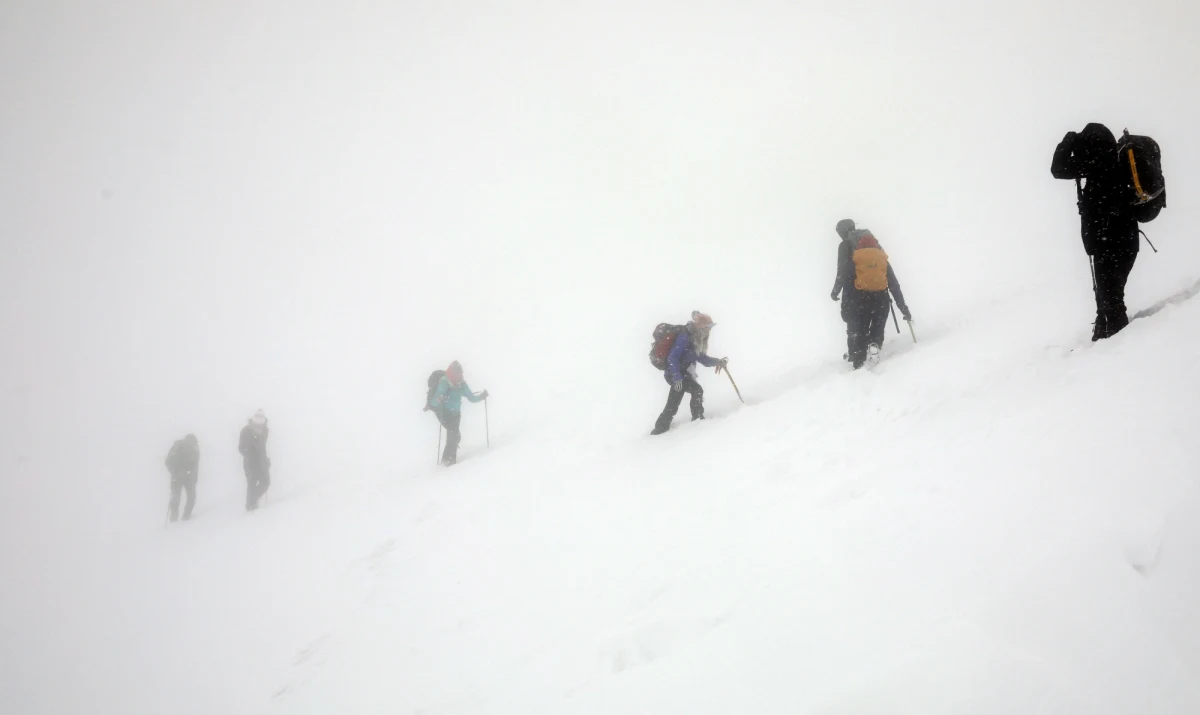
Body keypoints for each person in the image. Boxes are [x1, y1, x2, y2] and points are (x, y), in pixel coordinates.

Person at [1051, 123, 1139, 340]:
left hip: (1108, 243)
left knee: (1110, 299)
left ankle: (1117, 348)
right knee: (1110, 297)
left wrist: (1068, 140)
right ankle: (1106, 341)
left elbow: (1057, 168)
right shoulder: (1114, 163)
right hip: (1125, 241)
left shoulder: (1096, 165)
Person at [831, 220, 912, 369]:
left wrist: (835, 291)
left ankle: (857, 363)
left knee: (857, 329)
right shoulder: (876, 249)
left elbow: (842, 271)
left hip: (858, 296)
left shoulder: (845, 246)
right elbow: (892, 280)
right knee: (877, 326)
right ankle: (874, 344)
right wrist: (903, 307)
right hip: (881, 297)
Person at [651, 311, 729, 435]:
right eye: (709, 326)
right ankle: (661, 430)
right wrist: (677, 378)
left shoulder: (697, 339)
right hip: (674, 373)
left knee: (689, 394)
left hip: (683, 374)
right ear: (701, 326)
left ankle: (693, 420)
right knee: (684, 396)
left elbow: (702, 358)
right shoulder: (685, 336)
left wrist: (718, 362)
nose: (710, 330)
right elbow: (672, 357)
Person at [427, 361, 487, 466]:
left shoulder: (461, 384)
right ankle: (448, 462)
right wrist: (439, 399)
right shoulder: (444, 382)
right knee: (453, 435)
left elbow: (471, 398)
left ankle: (448, 462)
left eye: (461, 373)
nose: (460, 375)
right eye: (458, 373)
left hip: (456, 415)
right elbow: (434, 402)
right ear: (452, 372)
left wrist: (482, 396)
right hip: (444, 414)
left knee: (455, 436)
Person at [238, 410, 270, 511]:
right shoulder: (246, 431)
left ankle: (252, 501)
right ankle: (250, 506)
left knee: (265, 482)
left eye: (261, 418)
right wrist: (249, 455)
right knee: (251, 484)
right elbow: (241, 448)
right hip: (250, 463)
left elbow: (262, 448)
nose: (259, 420)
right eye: (257, 417)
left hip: (262, 462)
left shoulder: (265, 430)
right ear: (253, 418)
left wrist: (265, 460)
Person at [164, 433, 199, 522]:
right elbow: (195, 466)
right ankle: (186, 517)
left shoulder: (178, 446)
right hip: (188, 476)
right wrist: (194, 479)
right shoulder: (194, 449)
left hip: (177, 475)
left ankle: (174, 518)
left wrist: (174, 472)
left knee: (175, 495)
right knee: (191, 496)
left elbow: (168, 461)